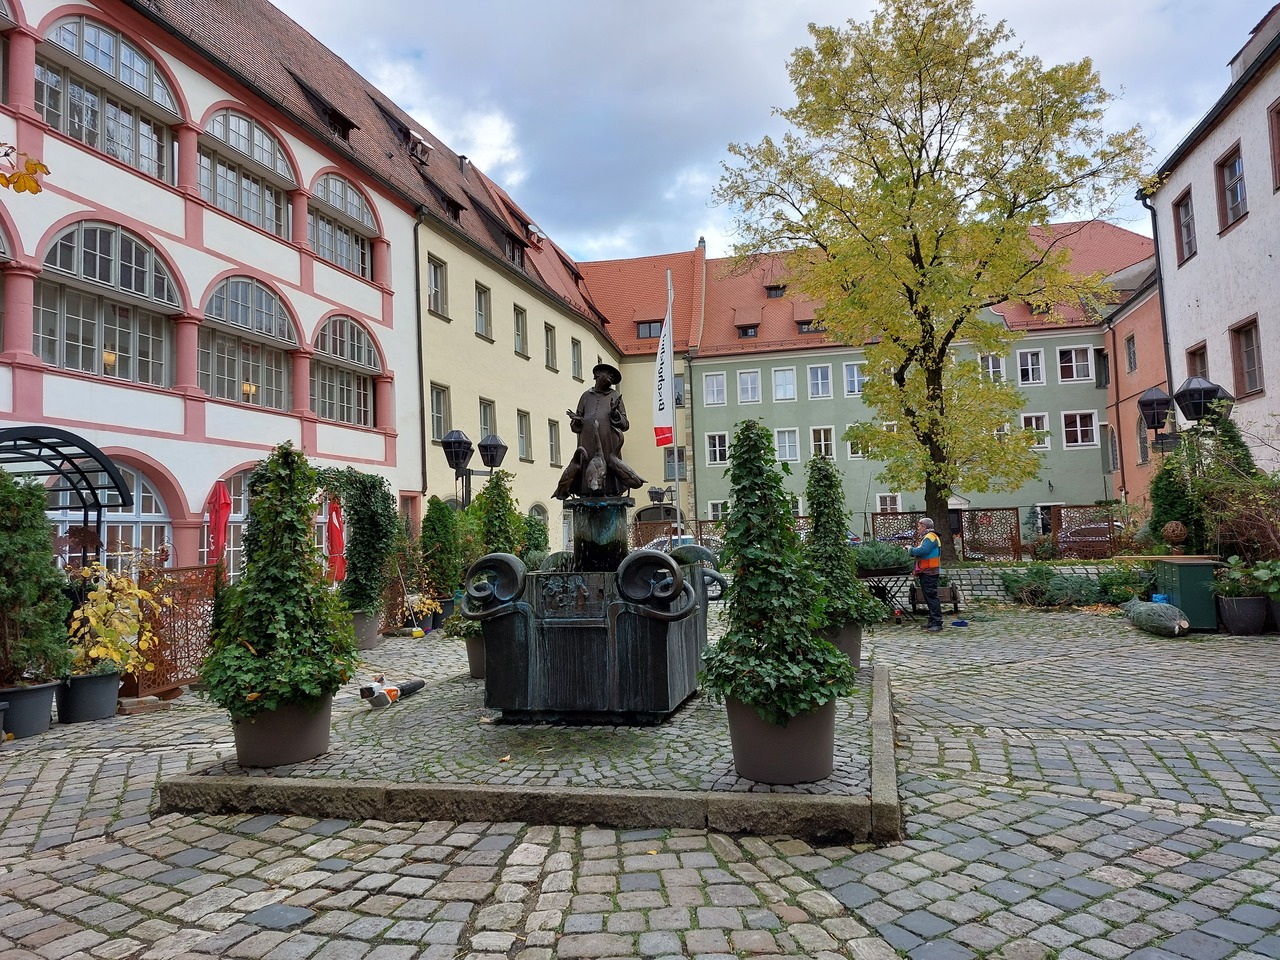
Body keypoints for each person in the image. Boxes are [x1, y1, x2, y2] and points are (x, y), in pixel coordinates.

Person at [553, 363, 646, 499]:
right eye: (608, 374)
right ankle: (586, 490)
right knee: (585, 463)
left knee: (609, 464)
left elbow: (625, 424)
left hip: (608, 442)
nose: (610, 377)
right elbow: (575, 426)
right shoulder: (585, 396)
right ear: (597, 375)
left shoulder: (615, 396)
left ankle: (611, 490)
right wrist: (577, 421)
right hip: (587, 442)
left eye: (612, 376)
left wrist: (615, 414)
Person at [908, 517, 943, 632]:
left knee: (931, 596)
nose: (918, 528)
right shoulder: (930, 536)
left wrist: (910, 550)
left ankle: (937, 622)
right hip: (927, 571)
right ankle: (933, 621)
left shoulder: (930, 537)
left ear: (924, 526)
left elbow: (923, 551)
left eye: (919, 526)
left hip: (929, 571)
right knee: (929, 597)